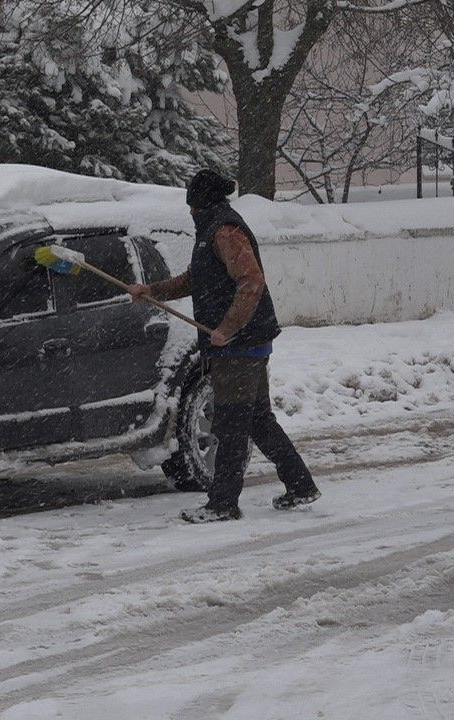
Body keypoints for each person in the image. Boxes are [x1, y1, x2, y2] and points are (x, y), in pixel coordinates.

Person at [130, 169, 321, 523]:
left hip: (240, 345)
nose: (189, 212)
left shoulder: (224, 231)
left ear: (201, 203)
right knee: (258, 420)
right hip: (246, 342)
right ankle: (300, 484)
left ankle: (222, 503)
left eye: (192, 205)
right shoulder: (212, 229)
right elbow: (195, 279)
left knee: (232, 424)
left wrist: (227, 328)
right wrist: (153, 291)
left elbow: (251, 282)